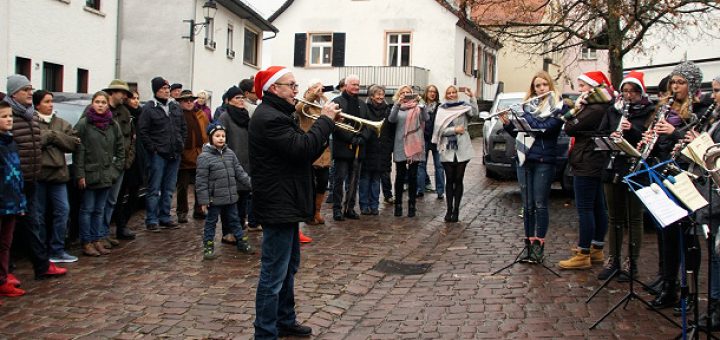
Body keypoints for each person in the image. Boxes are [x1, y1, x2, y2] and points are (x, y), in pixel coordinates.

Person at [250, 66, 338, 339]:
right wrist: (325, 121)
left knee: (289, 268)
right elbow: (302, 149)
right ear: (274, 88)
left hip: (286, 201)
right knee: (273, 274)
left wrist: (322, 125)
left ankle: (284, 320)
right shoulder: (269, 118)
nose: (297, 90)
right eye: (291, 85)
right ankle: (265, 332)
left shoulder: (280, 114)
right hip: (278, 203)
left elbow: (303, 148)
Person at [647, 61, 708, 310]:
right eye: (673, 82)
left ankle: (690, 292)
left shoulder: (699, 112)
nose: (675, 87)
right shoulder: (666, 109)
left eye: (681, 82)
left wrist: (672, 132)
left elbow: (699, 146)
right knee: (667, 235)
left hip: (687, 179)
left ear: (691, 85)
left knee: (688, 238)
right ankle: (669, 285)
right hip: (665, 175)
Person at [4, 74, 67, 279]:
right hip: (11, 182)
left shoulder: (30, 115)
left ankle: (41, 266)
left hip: (31, 179)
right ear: (14, 93)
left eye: (31, 89)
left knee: (33, 224)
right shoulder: (8, 115)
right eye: (26, 90)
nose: (30, 93)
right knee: (8, 230)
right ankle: (7, 271)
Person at [596, 71, 655, 281]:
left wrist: (633, 131)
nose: (628, 95)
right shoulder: (613, 110)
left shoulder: (650, 111)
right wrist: (610, 136)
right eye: (625, 91)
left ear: (640, 92)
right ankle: (613, 260)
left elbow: (650, 141)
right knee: (615, 217)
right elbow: (600, 133)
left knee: (634, 217)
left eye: (633, 91)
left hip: (636, 169)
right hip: (613, 167)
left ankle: (632, 262)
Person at [500, 72, 565, 261]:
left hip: (544, 160)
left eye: (545, 85)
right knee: (527, 206)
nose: (541, 88)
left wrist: (524, 117)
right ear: (533, 88)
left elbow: (544, 130)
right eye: (537, 86)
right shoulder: (527, 107)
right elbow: (522, 133)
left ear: (550, 86)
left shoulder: (558, 107)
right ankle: (528, 244)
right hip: (524, 159)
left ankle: (539, 245)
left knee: (540, 204)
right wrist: (508, 124)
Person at [558, 71, 613, 270]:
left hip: (587, 160)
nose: (579, 90)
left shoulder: (594, 108)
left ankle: (584, 253)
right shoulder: (602, 105)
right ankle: (596, 247)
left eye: (582, 86)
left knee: (585, 208)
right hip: (593, 159)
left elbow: (570, 128)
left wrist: (575, 110)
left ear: (594, 87)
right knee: (598, 205)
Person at [74, 91, 125, 256]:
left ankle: (97, 239)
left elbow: (120, 149)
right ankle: (87, 241)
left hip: (106, 174)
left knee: (99, 209)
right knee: (87, 209)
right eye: (97, 102)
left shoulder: (112, 124)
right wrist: (80, 174)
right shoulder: (84, 124)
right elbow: (78, 150)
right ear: (92, 103)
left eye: (103, 102)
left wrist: (115, 170)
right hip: (89, 174)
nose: (101, 105)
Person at [33, 90, 80, 263]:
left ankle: (57, 249)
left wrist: (54, 137)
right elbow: (35, 141)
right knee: (39, 214)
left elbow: (73, 143)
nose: (50, 104)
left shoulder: (61, 123)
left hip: (59, 175)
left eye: (51, 101)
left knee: (63, 211)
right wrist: (54, 138)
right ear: (37, 105)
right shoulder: (32, 122)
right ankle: (42, 249)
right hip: (39, 174)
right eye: (46, 102)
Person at [196, 123, 253, 260]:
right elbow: (201, 181)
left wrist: (252, 184)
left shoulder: (230, 154)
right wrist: (203, 200)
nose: (221, 138)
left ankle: (241, 241)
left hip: (230, 197)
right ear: (211, 137)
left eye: (223, 136)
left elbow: (239, 172)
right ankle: (208, 245)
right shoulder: (204, 157)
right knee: (211, 222)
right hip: (214, 199)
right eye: (217, 136)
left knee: (235, 220)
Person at [137, 76, 187, 231]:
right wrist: (153, 148)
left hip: (174, 153)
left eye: (167, 89)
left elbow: (183, 127)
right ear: (156, 91)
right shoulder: (149, 108)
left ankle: (165, 216)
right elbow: (143, 131)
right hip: (158, 154)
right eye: (162, 89)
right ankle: (151, 219)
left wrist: (181, 144)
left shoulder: (175, 107)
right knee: (154, 188)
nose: (166, 91)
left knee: (169, 188)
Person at [432, 85, 480, 223]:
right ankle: (449, 209)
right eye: (449, 93)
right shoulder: (442, 109)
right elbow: (439, 130)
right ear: (446, 95)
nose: (452, 95)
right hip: (447, 148)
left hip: (462, 148)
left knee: (459, 179)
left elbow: (475, 113)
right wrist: (454, 130)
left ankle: (456, 209)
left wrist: (472, 97)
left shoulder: (463, 107)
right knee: (449, 179)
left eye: (454, 92)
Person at [695, 74, 720, 329]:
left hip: (717, 195)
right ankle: (713, 307)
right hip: (712, 194)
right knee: (714, 255)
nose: (714, 96)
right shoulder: (714, 119)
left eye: (717, 90)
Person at [218, 86, 258, 242]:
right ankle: (228, 232)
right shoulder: (224, 117)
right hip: (230, 163)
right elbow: (220, 141)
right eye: (237, 98)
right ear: (229, 101)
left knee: (243, 198)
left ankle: (239, 228)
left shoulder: (246, 116)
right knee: (229, 200)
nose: (241, 101)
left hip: (246, 164)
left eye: (242, 98)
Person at [330, 75, 372, 221]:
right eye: (353, 84)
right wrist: (351, 138)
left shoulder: (362, 104)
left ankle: (350, 208)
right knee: (339, 180)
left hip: (358, 148)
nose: (356, 87)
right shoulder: (337, 102)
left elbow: (368, 124)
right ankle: (337, 209)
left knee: (354, 180)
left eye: (358, 85)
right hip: (342, 147)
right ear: (346, 85)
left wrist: (362, 138)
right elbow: (335, 124)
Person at [99, 79, 135, 247]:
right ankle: (97, 234)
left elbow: (131, 138)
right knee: (101, 200)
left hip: (121, 163)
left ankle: (104, 232)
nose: (125, 97)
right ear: (112, 93)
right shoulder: (101, 111)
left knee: (113, 200)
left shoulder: (125, 112)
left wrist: (127, 160)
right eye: (122, 93)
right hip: (104, 164)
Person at [295, 81, 332, 241]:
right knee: (309, 184)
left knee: (323, 183)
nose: (318, 91)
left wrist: (323, 96)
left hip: (324, 151)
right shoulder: (304, 104)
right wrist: (313, 93)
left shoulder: (321, 106)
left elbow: (333, 114)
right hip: (309, 148)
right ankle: (309, 214)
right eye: (315, 88)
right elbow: (298, 109)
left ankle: (317, 211)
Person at [389, 85, 430, 217]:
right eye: (403, 92)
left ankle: (412, 205)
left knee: (413, 176)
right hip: (400, 144)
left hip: (415, 144)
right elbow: (391, 119)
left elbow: (426, 118)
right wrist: (397, 103)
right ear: (399, 94)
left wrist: (421, 102)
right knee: (400, 176)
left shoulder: (418, 108)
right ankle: (398, 205)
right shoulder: (397, 107)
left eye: (408, 93)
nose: (406, 94)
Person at [0, 100, 27, 299]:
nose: (9, 120)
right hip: (1, 200)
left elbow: (17, 173)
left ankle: (2, 279)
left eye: (10, 116)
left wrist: (20, 201)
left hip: (12, 201)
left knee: (5, 244)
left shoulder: (11, 142)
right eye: (4, 117)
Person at [359, 85, 394, 215]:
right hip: (368, 148)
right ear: (371, 96)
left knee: (376, 180)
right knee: (365, 178)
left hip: (383, 149)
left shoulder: (388, 110)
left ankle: (374, 206)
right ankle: (364, 205)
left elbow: (391, 130)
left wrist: (389, 146)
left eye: (382, 94)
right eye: (377, 94)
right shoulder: (365, 108)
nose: (380, 97)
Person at [176, 90, 209, 224]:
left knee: (199, 186)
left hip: (198, 155)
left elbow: (206, 132)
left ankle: (199, 210)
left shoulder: (200, 114)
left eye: (191, 100)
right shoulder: (178, 116)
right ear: (180, 102)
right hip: (184, 156)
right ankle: (182, 212)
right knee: (182, 187)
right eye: (185, 100)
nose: (189, 102)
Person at [418, 85, 444, 199]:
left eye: (434, 92)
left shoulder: (440, 107)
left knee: (439, 166)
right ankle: (420, 189)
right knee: (421, 165)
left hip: (436, 139)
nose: (432, 94)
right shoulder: (420, 106)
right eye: (430, 91)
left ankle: (440, 191)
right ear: (426, 93)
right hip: (423, 139)